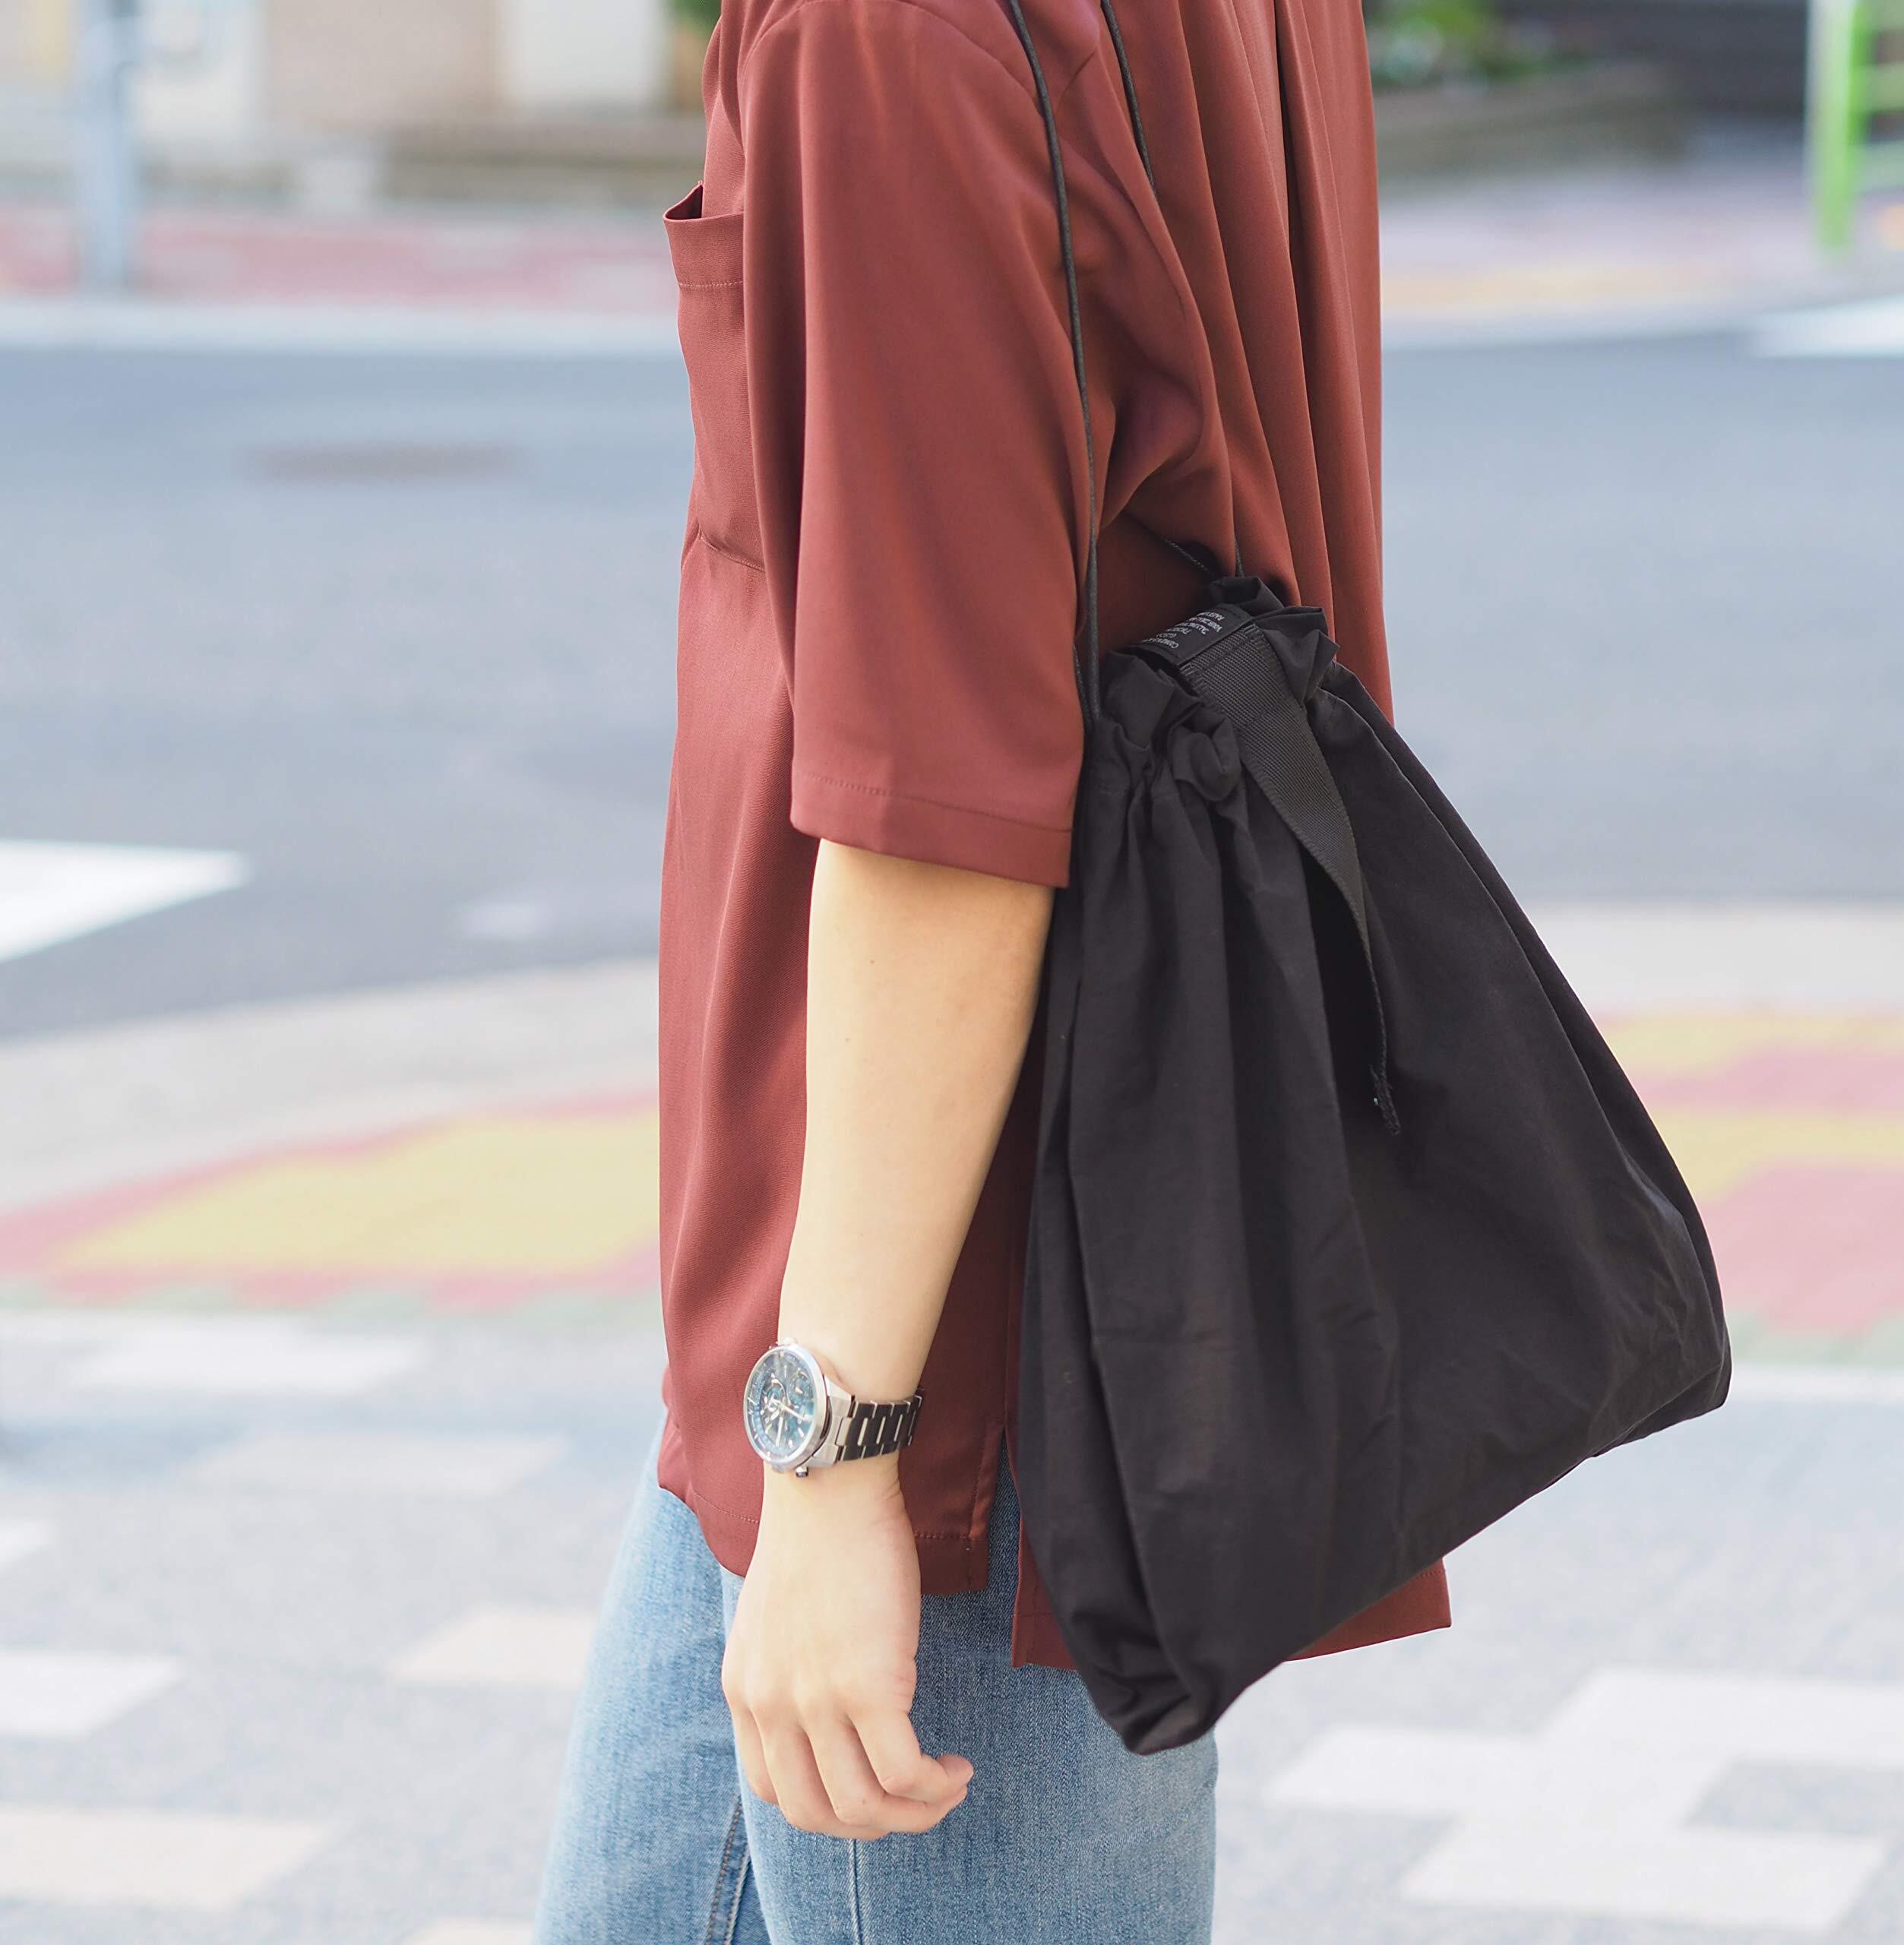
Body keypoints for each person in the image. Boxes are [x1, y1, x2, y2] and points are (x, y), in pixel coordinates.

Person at [534, 0, 1451, 1937]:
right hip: (982, 1260)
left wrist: (840, 1452)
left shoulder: (881, 30)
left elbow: (944, 802)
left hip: (950, 1358)